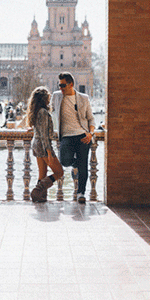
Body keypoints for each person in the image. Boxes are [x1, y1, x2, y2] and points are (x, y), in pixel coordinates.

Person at [51, 72, 96, 204]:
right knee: (64, 161)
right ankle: (75, 164)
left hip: (83, 136)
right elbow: (48, 111)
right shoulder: (57, 96)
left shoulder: (83, 98)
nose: (61, 88)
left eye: (63, 85)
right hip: (66, 136)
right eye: (59, 85)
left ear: (71, 84)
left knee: (84, 166)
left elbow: (91, 119)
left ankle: (81, 193)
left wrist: (90, 133)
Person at [26, 87, 64, 203]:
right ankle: (37, 191)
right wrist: (49, 151)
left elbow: (40, 129)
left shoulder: (37, 111)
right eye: (48, 96)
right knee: (59, 172)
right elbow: (44, 135)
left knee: (42, 174)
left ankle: (40, 197)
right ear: (43, 98)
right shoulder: (43, 112)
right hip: (42, 146)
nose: (50, 98)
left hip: (36, 144)